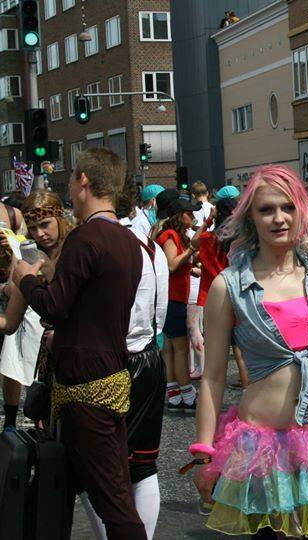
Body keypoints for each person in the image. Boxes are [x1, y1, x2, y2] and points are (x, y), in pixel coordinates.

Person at [190, 164, 308, 538]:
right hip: (262, 453)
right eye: (266, 209)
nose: (278, 218)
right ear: (251, 217)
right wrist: (203, 453)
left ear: (302, 211)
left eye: (287, 207)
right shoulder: (228, 286)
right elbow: (212, 377)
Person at [12, 147, 148, 539]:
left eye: (72, 179)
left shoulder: (87, 237)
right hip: (108, 376)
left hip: (86, 386)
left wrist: (25, 277)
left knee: (115, 504)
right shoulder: (128, 240)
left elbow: (53, 306)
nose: (70, 189)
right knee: (83, 489)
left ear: (83, 181)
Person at [81, 174, 170, 540]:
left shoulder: (98, 244)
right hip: (149, 358)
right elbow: (159, 312)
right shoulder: (151, 247)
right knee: (143, 465)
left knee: (96, 469)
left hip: (111, 363)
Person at [0, 190, 71, 431]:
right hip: (50, 356)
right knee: (47, 427)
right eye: (32, 227)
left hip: (80, 351)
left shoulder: (75, 249)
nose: (40, 233)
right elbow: (10, 322)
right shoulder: (30, 256)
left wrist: (48, 269)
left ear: (59, 218)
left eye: (45, 224)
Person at [190, 197, 249, 389]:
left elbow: (193, 242)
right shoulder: (240, 238)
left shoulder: (208, 238)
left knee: (215, 350)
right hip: (237, 293)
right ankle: (247, 390)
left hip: (212, 296)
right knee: (239, 348)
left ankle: (213, 392)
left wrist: (208, 220)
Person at [155, 188, 201, 412]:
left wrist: (191, 268)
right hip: (173, 298)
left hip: (171, 297)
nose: (192, 216)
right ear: (179, 215)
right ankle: (188, 396)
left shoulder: (168, 234)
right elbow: (172, 265)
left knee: (171, 349)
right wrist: (192, 249)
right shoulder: (170, 235)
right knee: (180, 349)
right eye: (189, 213)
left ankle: (174, 395)